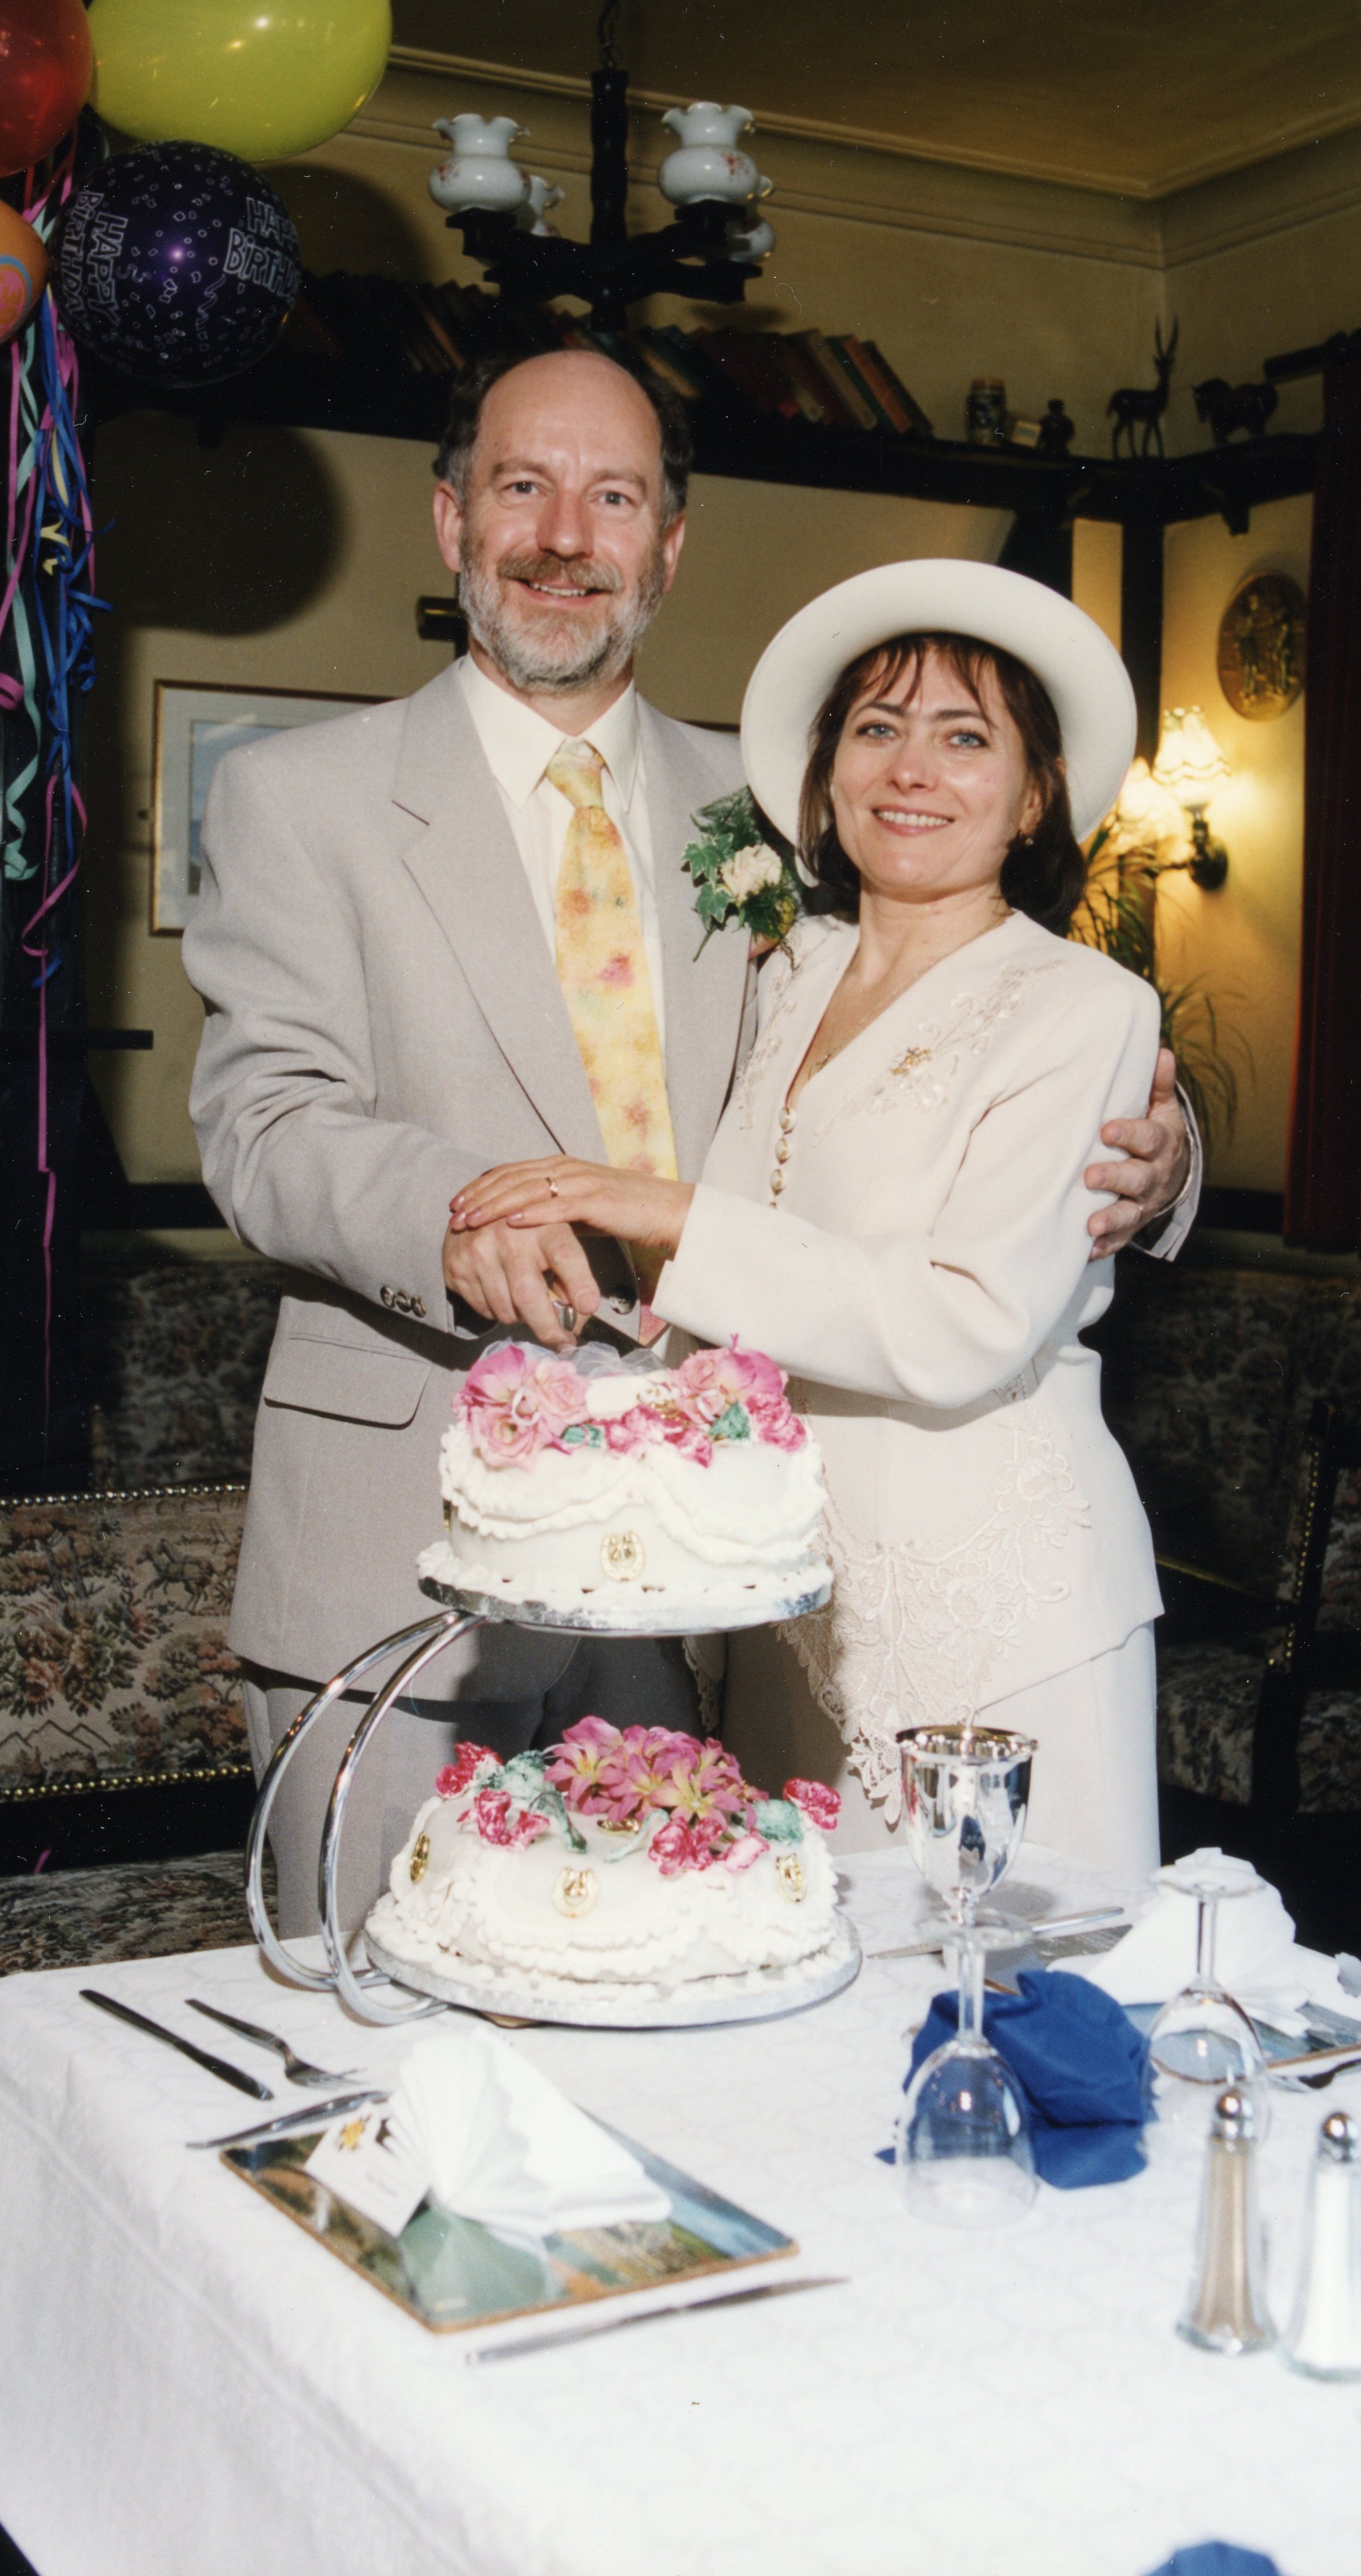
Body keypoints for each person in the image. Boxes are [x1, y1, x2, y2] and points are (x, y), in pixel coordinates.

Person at [187, 360, 1193, 1920]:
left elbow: (959, 1032)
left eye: (615, 498)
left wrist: (1157, 1150)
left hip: (722, 1572)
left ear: (670, 546)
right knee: (375, 2011)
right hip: (408, 1544)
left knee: (703, 2002)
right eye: (522, 486)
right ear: (452, 516)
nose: (562, 536)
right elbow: (261, 1118)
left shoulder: (785, 811)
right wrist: (452, 1204)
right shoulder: (296, 797)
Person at [451, 559, 1172, 1878]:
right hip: (790, 1597)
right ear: (827, 770)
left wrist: (660, 1212)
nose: (913, 769)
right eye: (878, 728)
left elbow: (967, 1326)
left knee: (1005, 2012)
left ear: (1034, 794)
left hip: (993, 1608)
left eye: (966, 738)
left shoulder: (1085, 1006)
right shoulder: (795, 963)